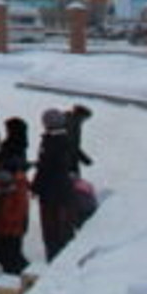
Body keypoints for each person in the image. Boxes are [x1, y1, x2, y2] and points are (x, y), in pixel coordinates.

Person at [32, 109, 84, 261]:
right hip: (64, 190)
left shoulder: (51, 142)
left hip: (51, 193)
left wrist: (35, 187)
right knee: (63, 228)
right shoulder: (65, 139)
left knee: (52, 231)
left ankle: (55, 260)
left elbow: (45, 167)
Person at [0, 163, 32, 276]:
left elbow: (16, 212)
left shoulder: (17, 189)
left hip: (10, 229)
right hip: (7, 229)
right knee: (8, 256)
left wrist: (2, 220)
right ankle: (17, 276)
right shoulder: (14, 186)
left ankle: (22, 277)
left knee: (11, 257)